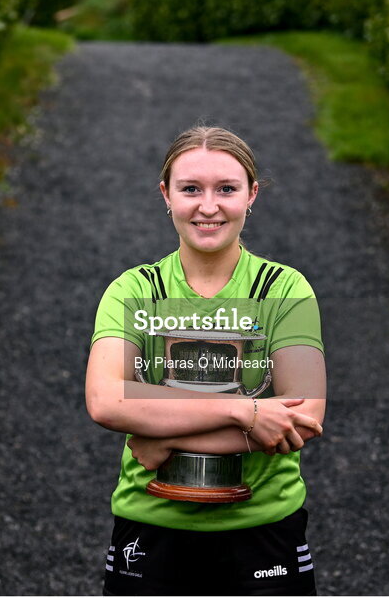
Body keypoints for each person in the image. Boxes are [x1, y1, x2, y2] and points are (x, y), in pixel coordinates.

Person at [85, 126, 327, 595]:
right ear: (166, 195)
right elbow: (104, 400)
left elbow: (304, 414)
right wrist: (245, 410)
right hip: (151, 525)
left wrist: (164, 437)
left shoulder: (284, 289)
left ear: (251, 195)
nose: (209, 206)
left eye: (227, 189)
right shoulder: (133, 290)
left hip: (263, 527)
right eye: (191, 189)